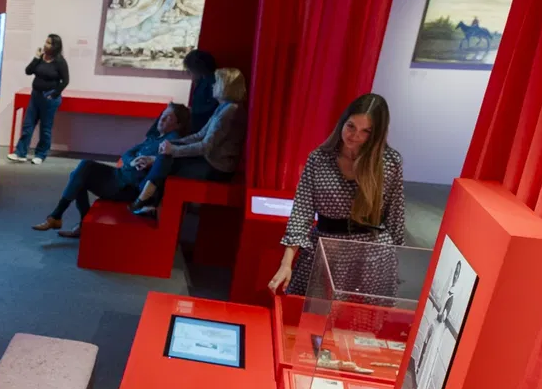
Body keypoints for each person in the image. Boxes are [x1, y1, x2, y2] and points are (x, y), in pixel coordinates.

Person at [269, 93, 406, 296]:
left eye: (365, 131)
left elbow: (395, 215)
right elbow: (301, 212)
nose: (354, 136)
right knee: (311, 311)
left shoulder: (388, 162)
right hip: (325, 250)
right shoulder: (319, 159)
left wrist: (394, 264)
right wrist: (286, 263)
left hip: (371, 257)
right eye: (351, 126)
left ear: (376, 134)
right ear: (343, 122)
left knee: (359, 316)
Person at [31, 102, 191, 238]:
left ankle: (59, 217)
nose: (162, 119)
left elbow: (166, 161)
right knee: (81, 172)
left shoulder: (171, 141)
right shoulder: (155, 137)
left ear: (178, 125)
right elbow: (128, 153)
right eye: (163, 114)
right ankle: (64, 219)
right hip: (119, 175)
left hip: (127, 187)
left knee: (82, 173)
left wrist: (151, 161)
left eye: (169, 117)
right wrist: (132, 161)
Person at [129, 66, 247, 218]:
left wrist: (173, 149)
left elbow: (205, 147)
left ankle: (145, 197)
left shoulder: (231, 111)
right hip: (209, 160)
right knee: (167, 154)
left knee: (168, 158)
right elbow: (199, 135)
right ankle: (147, 199)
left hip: (217, 168)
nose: (213, 85)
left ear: (225, 85)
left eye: (216, 82)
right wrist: (174, 143)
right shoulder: (223, 107)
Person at [7, 34, 69, 164]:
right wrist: (36, 57)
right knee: (28, 125)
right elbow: (28, 71)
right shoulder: (40, 58)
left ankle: (40, 154)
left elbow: (65, 80)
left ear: (55, 46)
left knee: (45, 128)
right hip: (36, 95)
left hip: (49, 98)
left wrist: (54, 94)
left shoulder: (60, 61)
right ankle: (20, 153)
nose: (46, 45)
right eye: (46, 42)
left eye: (49, 43)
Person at [183, 49, 219, 131]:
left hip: (203, 126)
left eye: (190, 71)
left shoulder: (212, 82)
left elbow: (212, 106)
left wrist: (192, 111)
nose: (189, 74)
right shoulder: (202, 81)